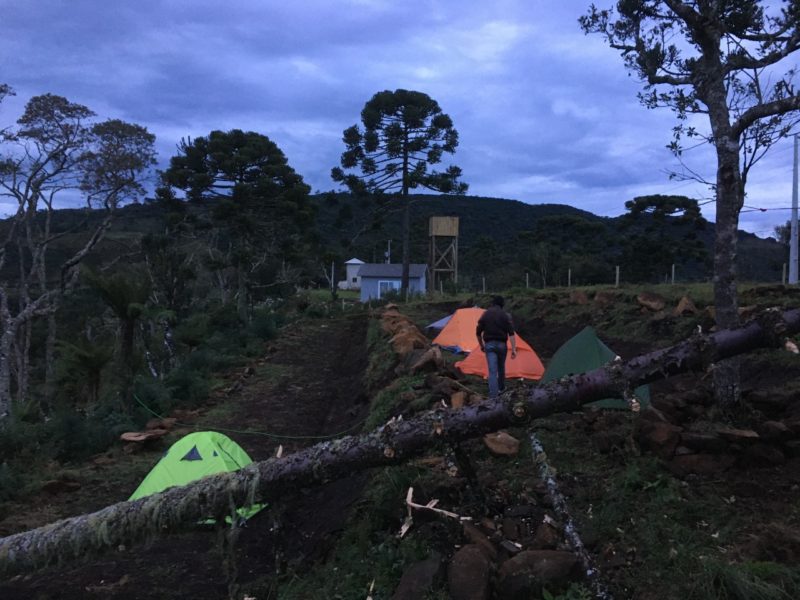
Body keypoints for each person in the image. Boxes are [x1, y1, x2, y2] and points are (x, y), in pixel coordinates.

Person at [476, 296, 517, 398]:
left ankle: (493, 396)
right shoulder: (505, 315)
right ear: (502, 304)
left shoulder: (486, 314)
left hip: (489, 345)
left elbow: (478, 332)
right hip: (502, 345)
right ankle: (501, 388)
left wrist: (481, 345)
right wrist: (513, 349)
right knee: (501, 368)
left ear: (493, 303)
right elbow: (511, 333)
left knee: (492, 371)